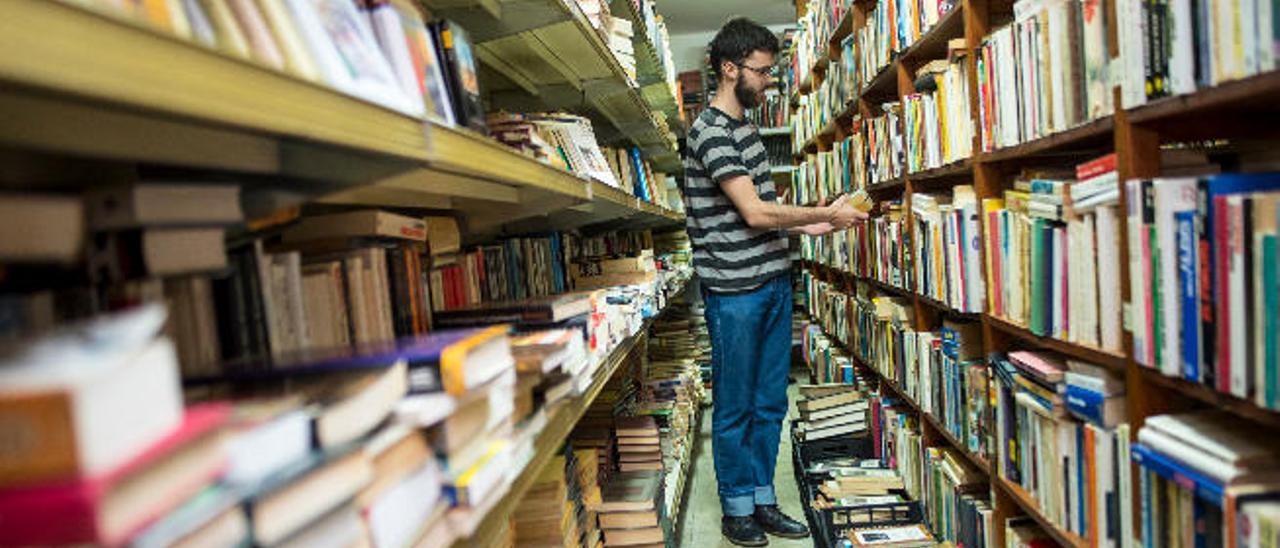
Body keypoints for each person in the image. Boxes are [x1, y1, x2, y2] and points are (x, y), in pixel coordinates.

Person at [681, 16, 868, 548]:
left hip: (772, 285)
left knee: (770, 401)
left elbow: (768, 211)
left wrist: (816, 221)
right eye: (762, 73)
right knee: (736, 405)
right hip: (735, 293)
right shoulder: (711, 132)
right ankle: (736, 508)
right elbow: (755, 214)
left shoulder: (745, 130)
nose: (769, 84)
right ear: (728, 68)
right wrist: (822, 215)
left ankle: (763, 499)